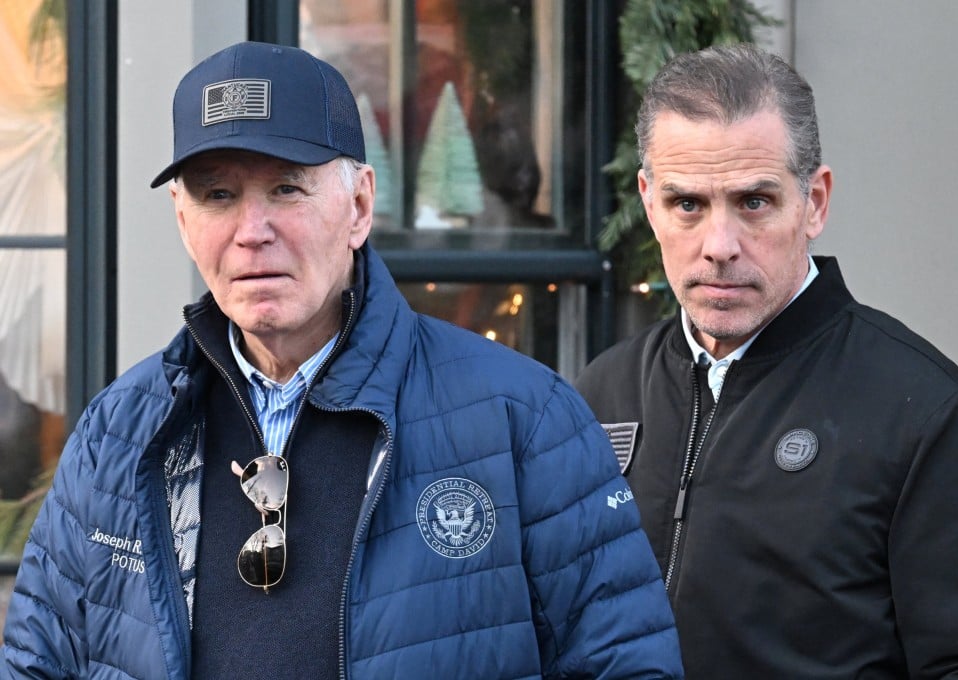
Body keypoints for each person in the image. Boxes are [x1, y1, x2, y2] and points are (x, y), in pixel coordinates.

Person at [1, 41, 683, 679]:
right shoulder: (118, 434)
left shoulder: (524, 420)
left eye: (287, 189)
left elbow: (626, 664)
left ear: (359, 205)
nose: (251, 232)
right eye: (218, 195)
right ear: (183, 222)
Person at [575, 42, 958, 678]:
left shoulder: (934, 420)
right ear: (649, 203)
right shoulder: (603, 392)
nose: (719, 246)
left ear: (814, 202)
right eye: (688, 205)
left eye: (753, 202)